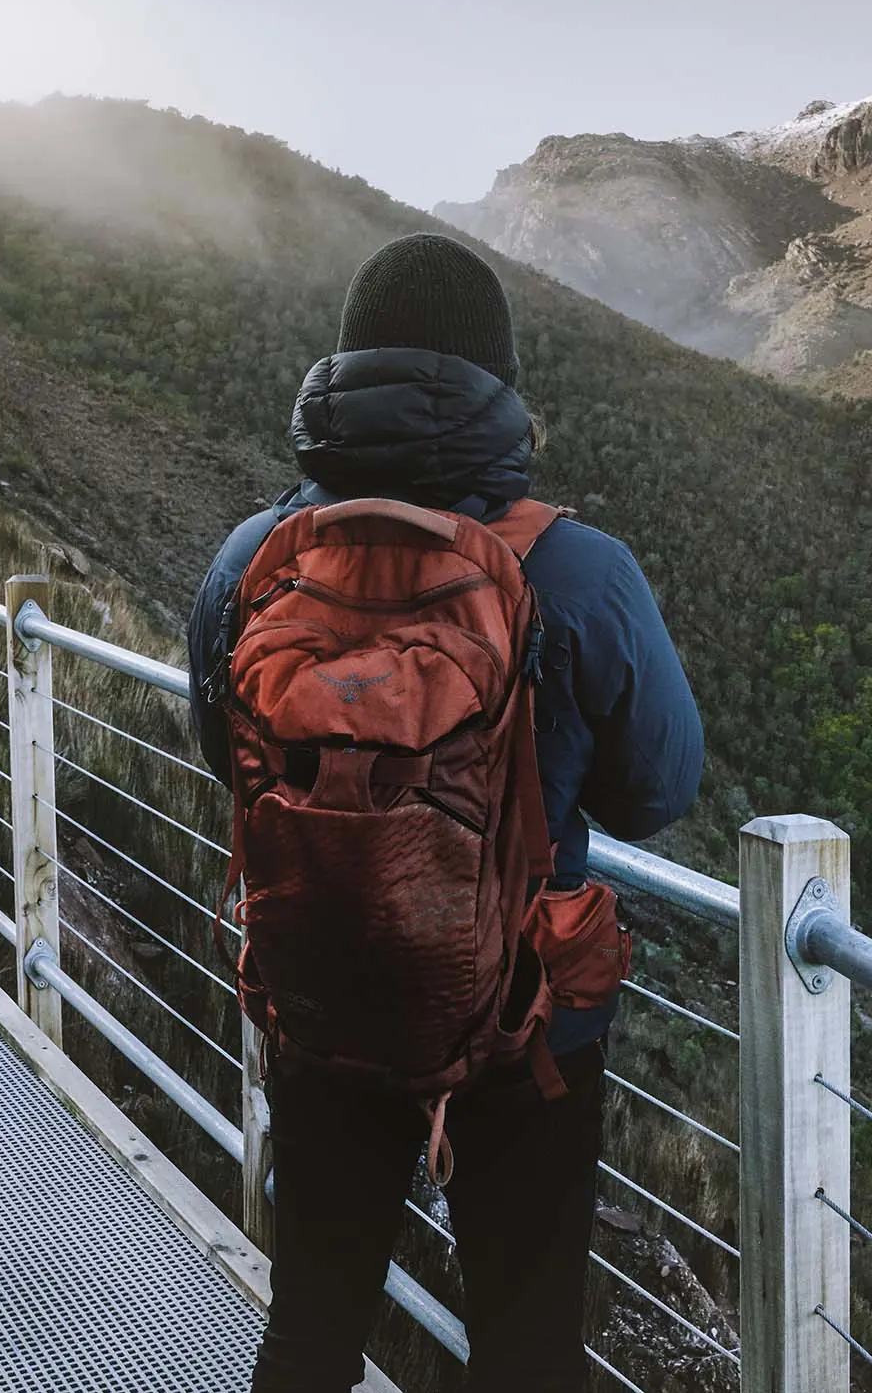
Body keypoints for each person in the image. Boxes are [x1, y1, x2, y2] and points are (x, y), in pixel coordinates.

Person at [187, 232, 703, 1393]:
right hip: (526, 1030)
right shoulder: (581, 572)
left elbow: (225, 752)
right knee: (527, 1350)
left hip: (319, 998)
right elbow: (661, 791)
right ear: (504, 386)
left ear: (340, 373)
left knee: (313, 1321)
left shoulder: (248, 560)